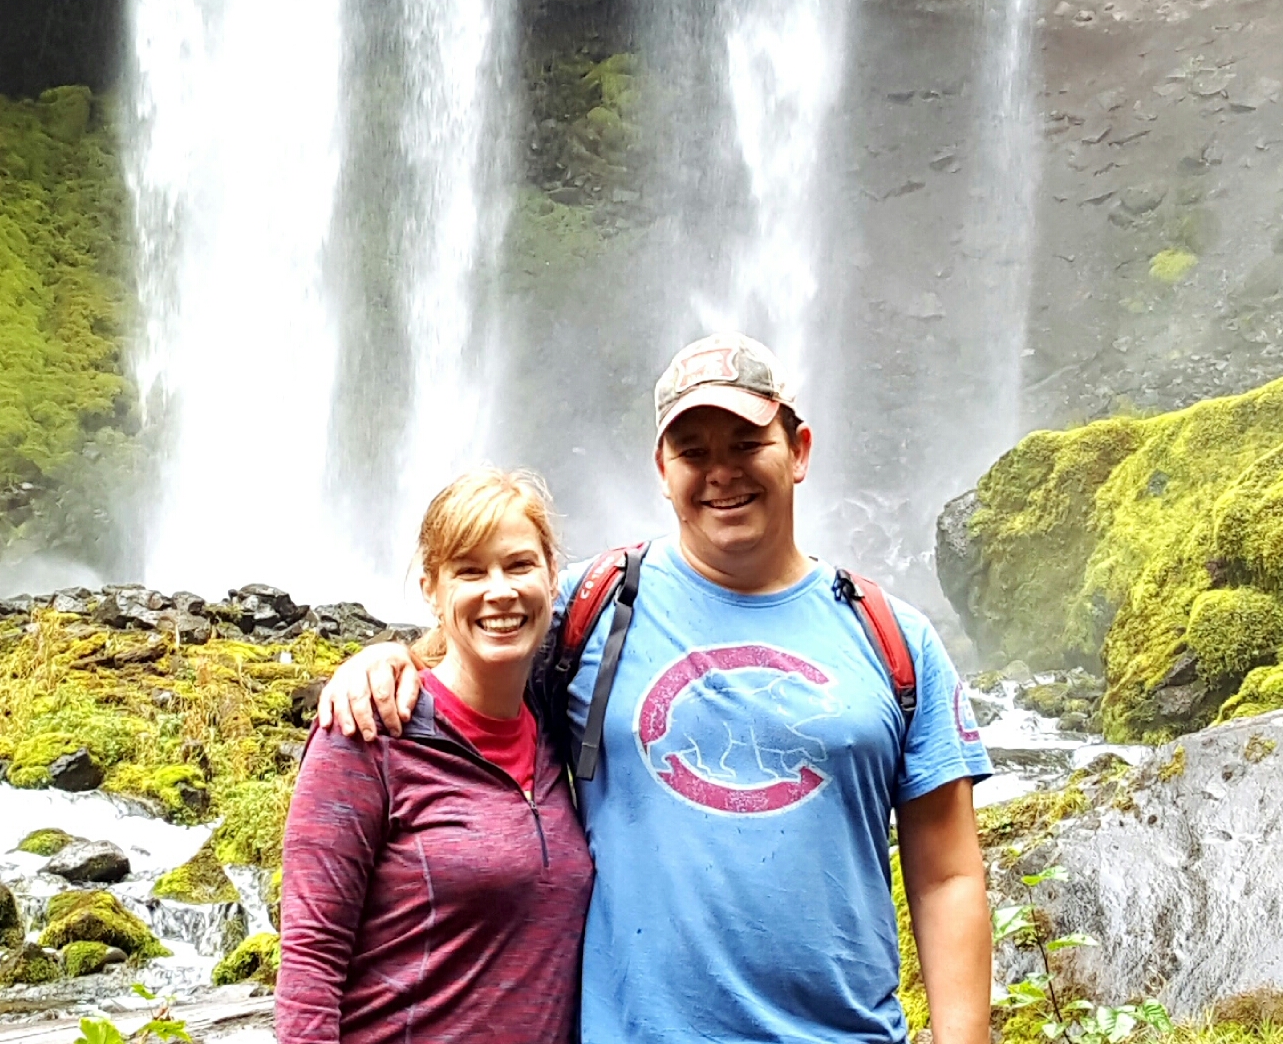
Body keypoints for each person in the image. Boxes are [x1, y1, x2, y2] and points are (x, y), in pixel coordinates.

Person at [318, 332, 994, 1044]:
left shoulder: (893, 638)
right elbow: (475, 650)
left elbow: (947, 877)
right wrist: (389, 658)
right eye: (693, 451)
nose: (721, 472)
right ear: (662, 470)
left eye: (747, 443)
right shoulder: (591, 607)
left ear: (798, 451)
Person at [276, 465, 594, 1044]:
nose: (499, 590)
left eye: (519, 565)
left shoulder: (557, 724)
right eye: (470, 570)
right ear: (432, 589)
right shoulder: (365, 733)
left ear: (553, 577)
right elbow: (310, 963)